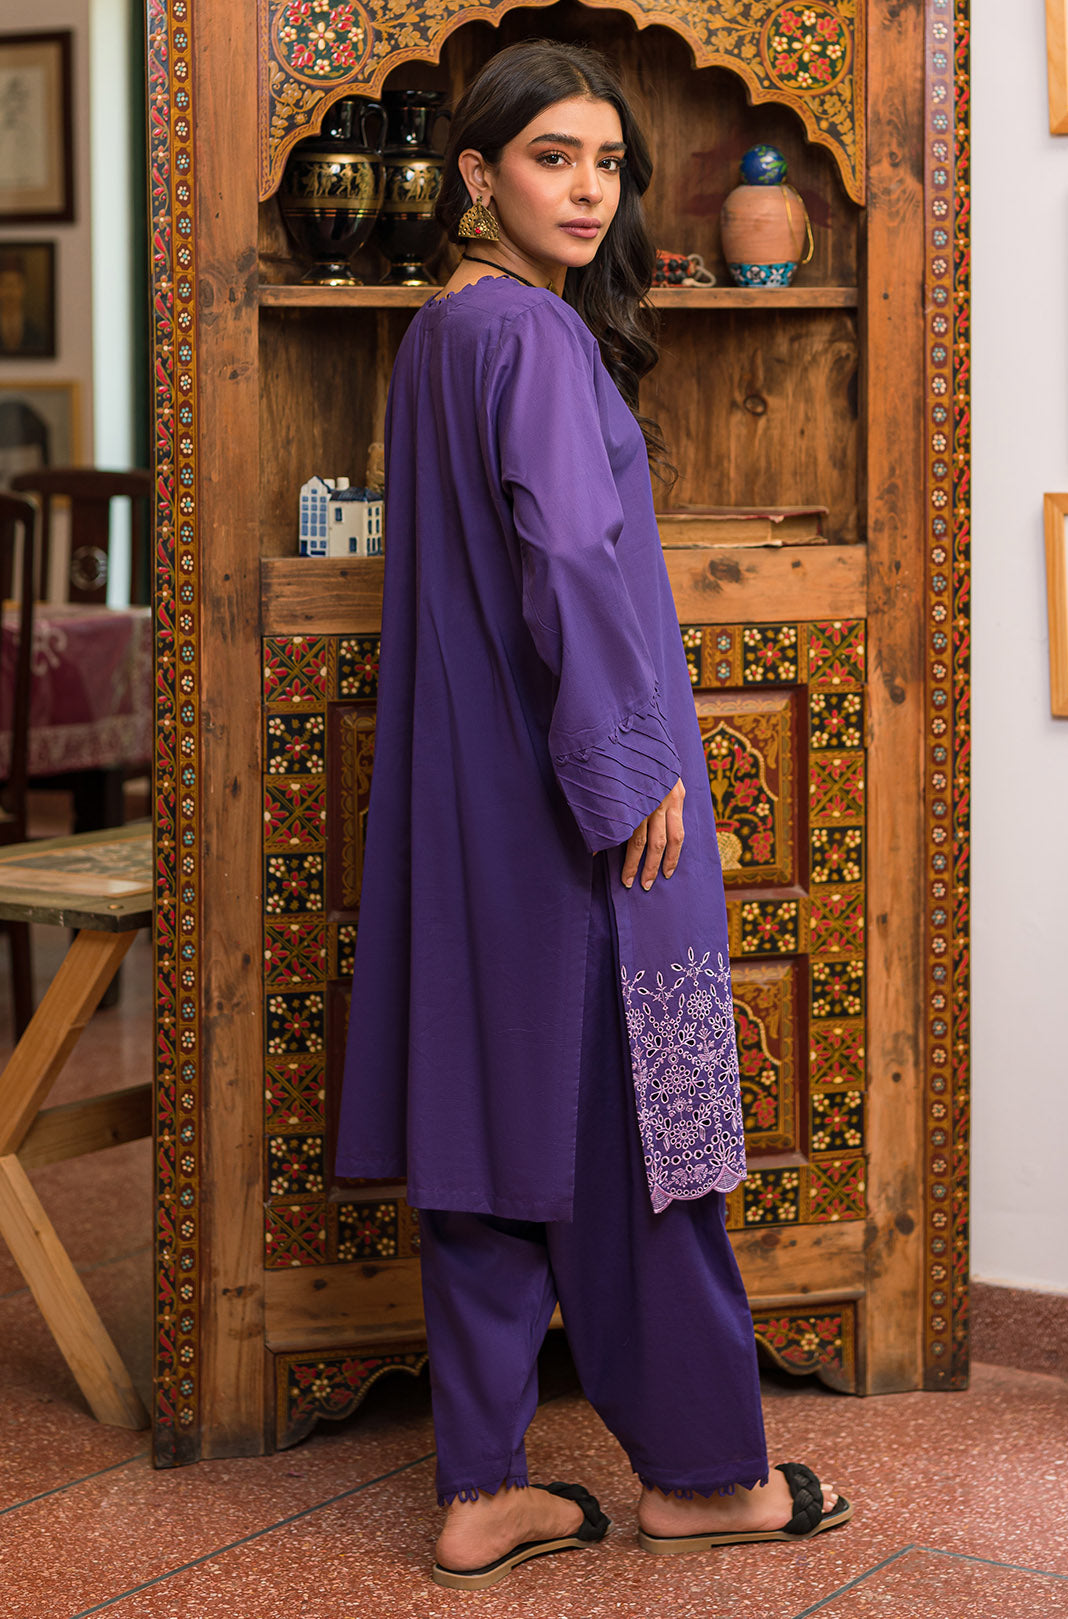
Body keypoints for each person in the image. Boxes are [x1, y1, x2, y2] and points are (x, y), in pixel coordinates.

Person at [335, 37, 852, 1591]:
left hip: (471, 815)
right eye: (552, 157)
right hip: (578, 808)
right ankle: (709, 1477)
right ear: (477, 172)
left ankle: (484, 1490)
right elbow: (564, 553)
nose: (588, 190)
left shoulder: (442, 332)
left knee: (490, 1134)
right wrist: (628, 771)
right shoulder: (537, 340)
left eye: (608, 164)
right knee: (646, 1144)